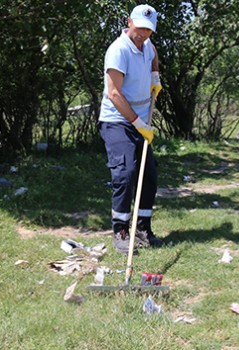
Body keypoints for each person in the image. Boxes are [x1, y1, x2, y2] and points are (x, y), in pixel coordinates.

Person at [98, 4, 164, 254]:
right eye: (139, 28)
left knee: (149, 176)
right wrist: (138, 124)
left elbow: (153, 52)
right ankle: (121, 231)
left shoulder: (147, 45)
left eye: (148, 30)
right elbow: (114, 93)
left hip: (140, 118)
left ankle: (143, 229)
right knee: (125, 173)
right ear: (129, 22)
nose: (143, 33)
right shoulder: (118, 50)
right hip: (117, 120)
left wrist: (155, 76)